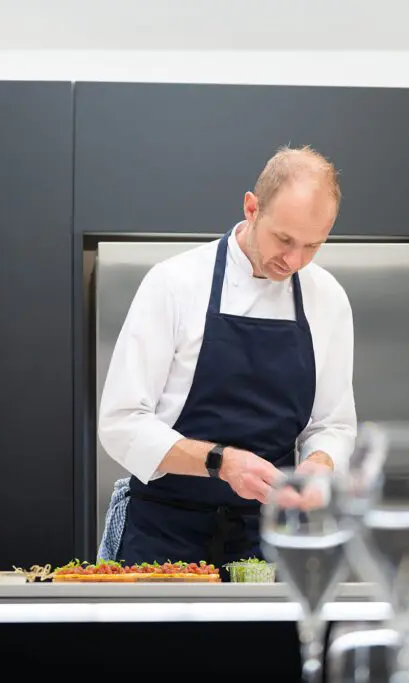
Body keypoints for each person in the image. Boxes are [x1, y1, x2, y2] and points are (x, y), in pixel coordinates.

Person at [96, 144, 357, 570]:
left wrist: (318, 463)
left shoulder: (327, 298)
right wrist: (221, 462)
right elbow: (121, 423)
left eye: (313, 245)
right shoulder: (174, 283)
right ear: (251, 208)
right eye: (284, 239)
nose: (294, 260)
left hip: (268, 541)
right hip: (162, 538)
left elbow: (333, 423)